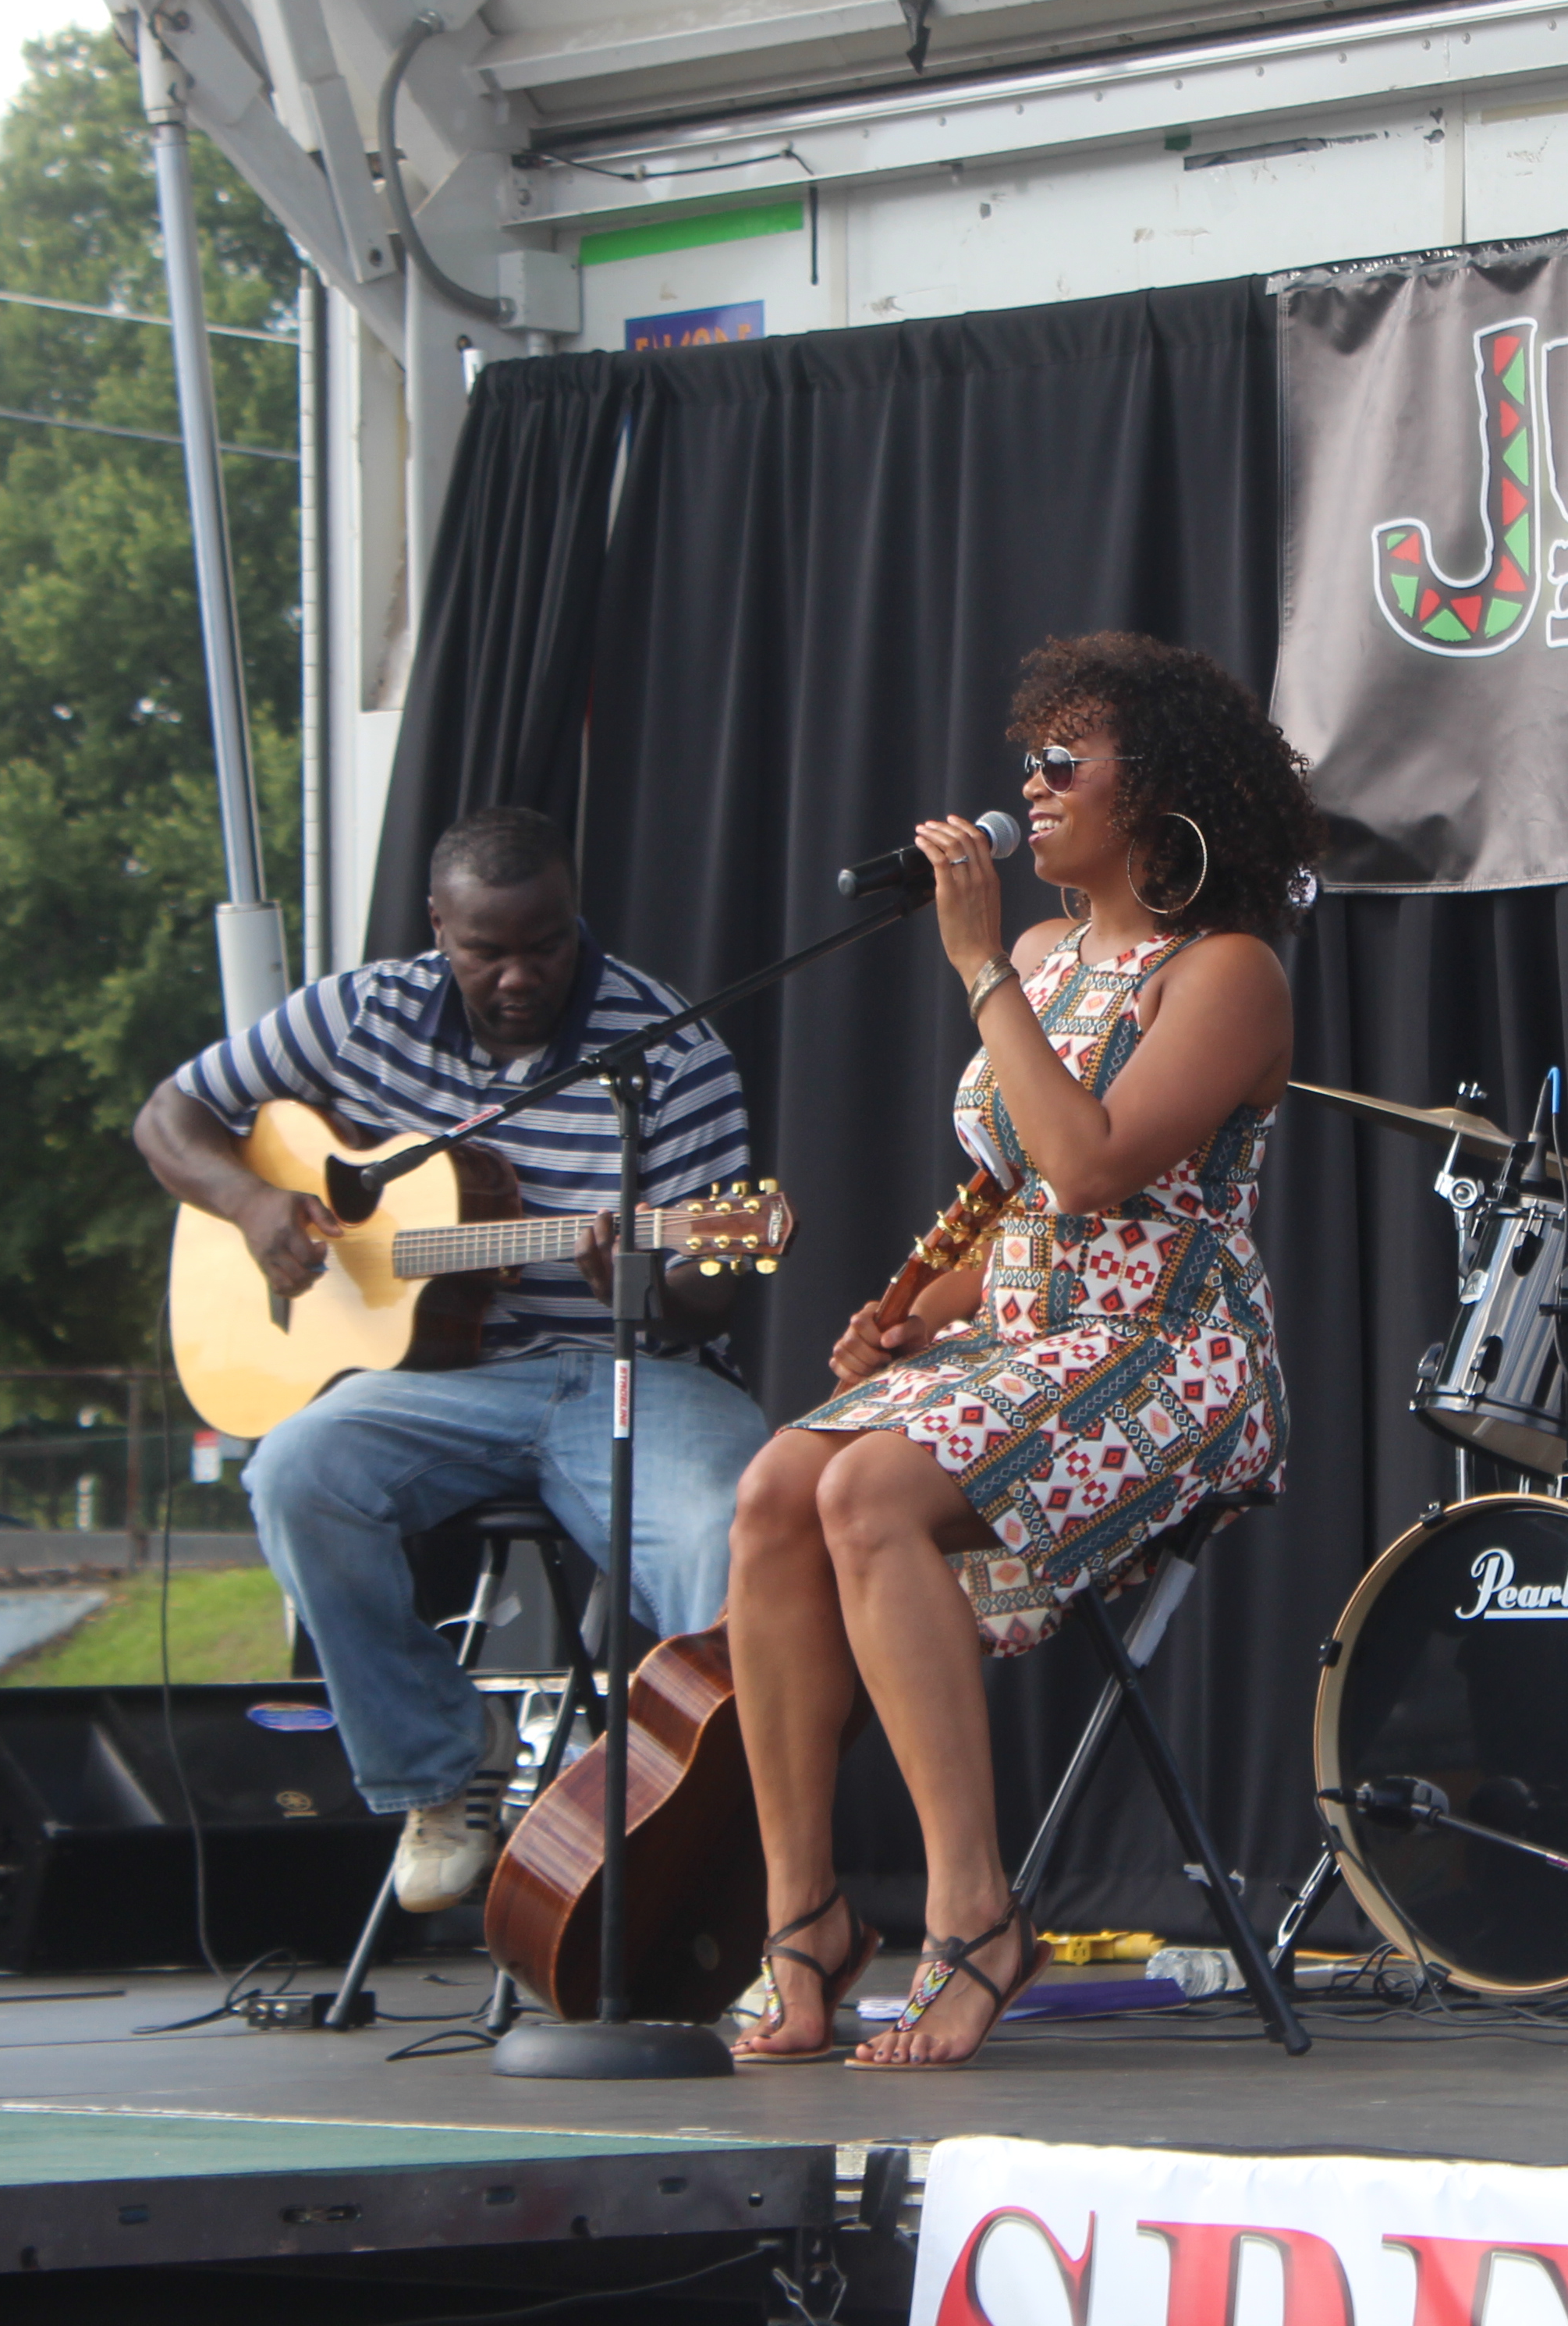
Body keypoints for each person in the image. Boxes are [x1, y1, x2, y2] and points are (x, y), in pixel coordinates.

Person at [722, 632, 1325, 2069]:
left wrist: (978, 963)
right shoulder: (1049, 959)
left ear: (1158, 787)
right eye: (1029, 760)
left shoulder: (1226, 974)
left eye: (1065, 762)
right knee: (772, 1492)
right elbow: (1020, 1204)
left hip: (1172, 1352)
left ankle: (973, 1915)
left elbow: (1093, 1166)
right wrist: (923, 1310)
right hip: (1021, 1333)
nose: (1031, 788)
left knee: (868, 1490)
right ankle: (804, 1922)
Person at [134, 807, 772, 1916]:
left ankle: (717, 1847)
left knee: (732, 1537)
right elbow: (168, 1116)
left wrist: (640, 1283)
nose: (520, 975)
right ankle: (441, 1766)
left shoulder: (671, 1049)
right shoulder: (357, 1013)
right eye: (488, 951)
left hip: (632, 1373)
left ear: (576, 918)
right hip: (431, 1386)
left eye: (547, 944)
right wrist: (250, 1202)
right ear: (439, 926)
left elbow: (707, 1292)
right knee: (295, 1474)